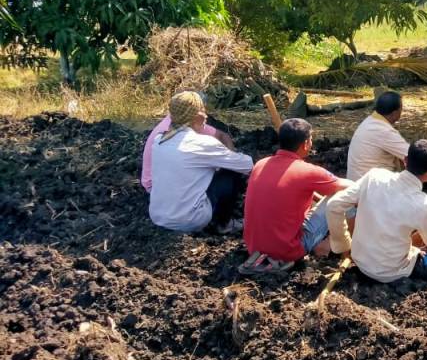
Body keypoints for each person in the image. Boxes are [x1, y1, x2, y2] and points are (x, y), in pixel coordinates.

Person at [326, 140, 427, 283]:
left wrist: (343, 245)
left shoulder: (374, 176)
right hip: (392, 273)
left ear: (405, 160)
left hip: (360, 261)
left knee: (415, 232)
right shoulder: (425, 204)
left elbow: (334, 205)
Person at [240, 118, 352, 272]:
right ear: (305, 144)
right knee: (348, 196)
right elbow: (351, 188)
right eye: (311, 139)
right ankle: (339, 246)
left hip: (254, 247)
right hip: (289, 250)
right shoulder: (308, 171)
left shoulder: (261, 164)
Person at [149, 91, 254, 233]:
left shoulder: (159, 141)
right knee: (231, 172)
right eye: (203, 111)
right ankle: (224, 224)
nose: (206, 116)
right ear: (197, 116)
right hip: (190, 220)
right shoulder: (203, 143)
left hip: (158, 217)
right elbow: (247, 165)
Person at [140, 92, 234, 193]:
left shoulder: (184, 121)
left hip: (167, 179)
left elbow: (223, 136)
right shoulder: (168, 133)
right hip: (156, 184)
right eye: (202, 109)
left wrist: (231, 155)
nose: (205, 114)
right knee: (225, 180)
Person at [346, 91, 409, 181]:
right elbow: (413, 156)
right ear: (395, 113)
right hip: (371, 189)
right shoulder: (385, 131)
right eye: (401, 109)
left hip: (356, 183)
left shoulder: (369, 121)